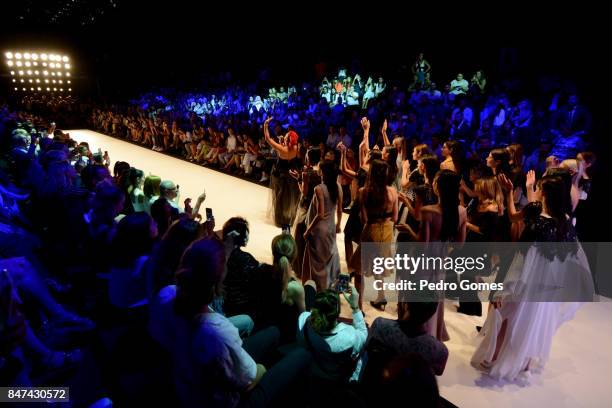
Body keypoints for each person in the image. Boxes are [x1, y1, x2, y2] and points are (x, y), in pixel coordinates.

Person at [154, 238, 311, 408]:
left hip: (187, 384)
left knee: (273, 331)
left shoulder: (166, 295)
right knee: (302, 354)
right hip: (225, 400)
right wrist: (263, 368)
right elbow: (249, 381)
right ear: (217, 283)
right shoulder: (217, 330)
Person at [472, 175, 594, 382]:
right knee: (535, 322)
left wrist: (505, 289)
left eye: (539, 189)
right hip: (547, 286)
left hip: (526, 284)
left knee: (507, 316)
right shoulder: (565, 222)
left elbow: (522, 259)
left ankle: (492, 358)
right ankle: (525, 363)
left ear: (545, 194)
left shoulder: (538, 224)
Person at [419, 170, 467, 341]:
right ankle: (434, 334)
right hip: (442, 261)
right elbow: (460, 244)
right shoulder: (461, 212)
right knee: (436, 297)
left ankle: (422, 336)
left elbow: (422, 247)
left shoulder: (428, 211)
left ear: (438, 187)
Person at [352, 159, 398, 310]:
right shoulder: (393, 191)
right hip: (386, 230)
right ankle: (381, 296)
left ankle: (358, 307)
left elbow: (364, 219)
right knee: (379, 265)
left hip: (371, 230)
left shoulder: (364, 191)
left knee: (358, 269)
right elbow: (395, 218)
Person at [297, 287, 367, 383]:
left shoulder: (302, 321)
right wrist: (355, 307)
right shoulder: (350, 337)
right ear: (337, 311)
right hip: (336, 378)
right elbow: (363, 333)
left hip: (312, 372)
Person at [367, 300, 449, 376]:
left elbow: (367, 352)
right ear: (433, 312)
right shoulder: (440, 351)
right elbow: (438, 372)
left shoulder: (380, 326)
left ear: (405, 304)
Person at [255, 234, 306, 343]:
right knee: (311, 285)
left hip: (263, 327)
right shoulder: (295, 287)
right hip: (285, 337)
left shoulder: (261, 271)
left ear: (273, 253)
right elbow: (303, 317)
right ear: (294, 256)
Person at [302, 160, 342, 291]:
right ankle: (329, 288)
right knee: (328, 259)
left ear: (323, 173)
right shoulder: (338, 187)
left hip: (318, 230)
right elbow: (339, 210)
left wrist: (308, 230)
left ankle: (316, 289)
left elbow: (320, 214)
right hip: (330, 228)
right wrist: (338, 225)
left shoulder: (319, 189)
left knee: (315, 262)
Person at [264, 117, 300, 227]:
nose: (285, 135)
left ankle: (280, 219)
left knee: (279, 197)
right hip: (292, 176)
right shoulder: (296, 147)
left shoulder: (282, 149)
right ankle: (290, 218)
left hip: (280, 175)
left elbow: (267, 138)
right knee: (290, 197)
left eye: (286, 135)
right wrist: (283, 141)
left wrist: (266, 125)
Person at [290, 147, 321, 278]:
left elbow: (304, 192)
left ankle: (300, 267)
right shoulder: (320, 172)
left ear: (309, 157)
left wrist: (298, 179)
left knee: (300, 233)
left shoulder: (306, 173)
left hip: (306, 205)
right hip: (316, 205)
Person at [221, 217, 260, 319]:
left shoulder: (218, 253)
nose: (247, 237)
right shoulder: (246, 259)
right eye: (245, 233)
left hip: (225, 306)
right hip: (242, 309)